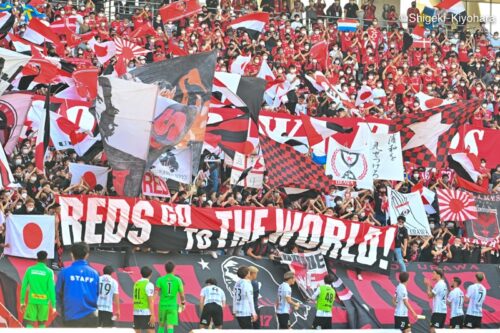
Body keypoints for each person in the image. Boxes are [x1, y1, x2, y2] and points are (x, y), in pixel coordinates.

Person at [56, 242, 99, 327]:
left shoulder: (64, 272)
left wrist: (61, 311)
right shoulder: (94, 274)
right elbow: (98, 295)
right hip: (92, 317)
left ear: (71, 254)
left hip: (71, 317)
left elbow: (57, 294)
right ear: (87, 255)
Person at [20, 251, 56, 328]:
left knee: (29, 323)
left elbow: (23, 287)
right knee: (42, 324)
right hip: (44, 302)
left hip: (32, 301)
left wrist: (22, 302)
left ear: (37, 258)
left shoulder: (29, 270)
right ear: (46, 259)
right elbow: (51, 289)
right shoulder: (49, 272)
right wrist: (53, 305)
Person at [156, 261, 185, 333]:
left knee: (161, 325)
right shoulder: (178, 280)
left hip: (162, 305)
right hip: (172, 306)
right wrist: (183, 303)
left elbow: (156, 292)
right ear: (173, 269)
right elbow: (182, 294)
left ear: (165, 269)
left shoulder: (160, 279)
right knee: (170, 326)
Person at [133, 266, 155, 333]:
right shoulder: (149, 284)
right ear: (150, 274)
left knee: (137, 331)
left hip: (136, 311)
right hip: (145, 312)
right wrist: (152, 315)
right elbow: (150, 301)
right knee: (151, 330)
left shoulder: (136, 283)